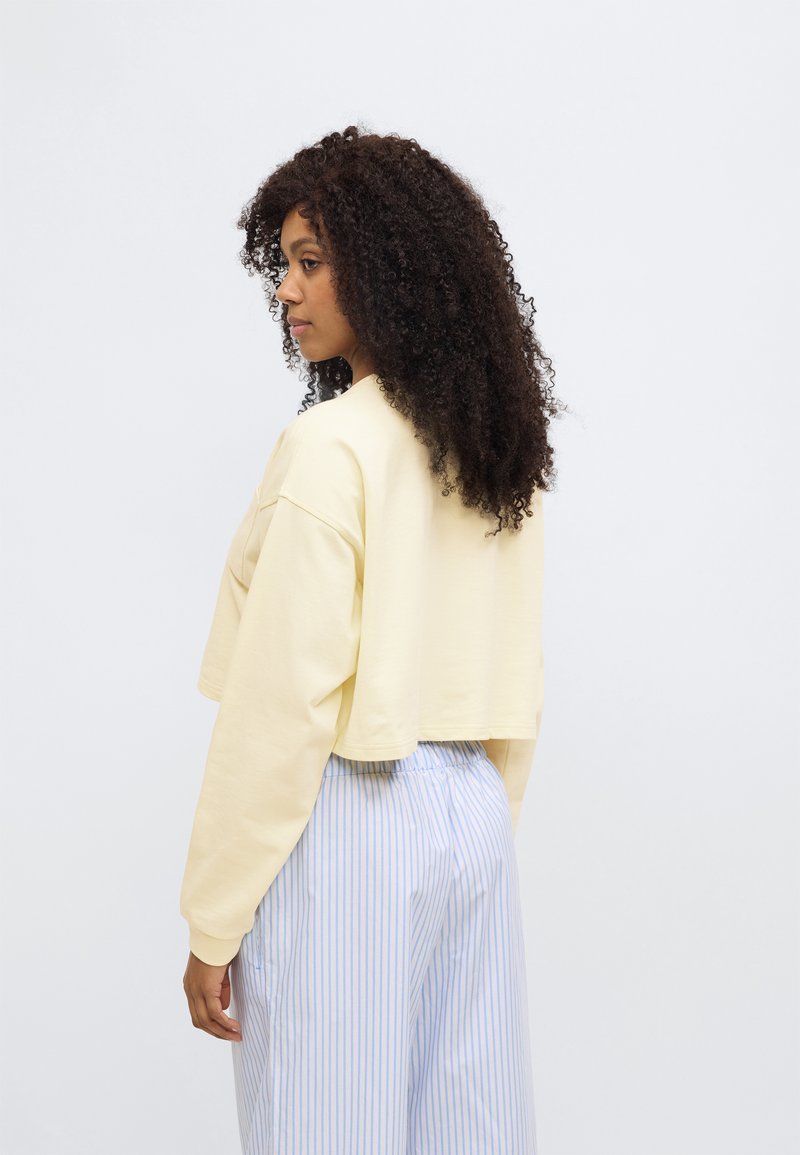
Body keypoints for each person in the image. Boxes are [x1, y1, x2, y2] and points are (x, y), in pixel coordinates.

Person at [179, 123, 565, 1155]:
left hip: (351, 819)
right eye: (284, 264)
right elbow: (516, 672)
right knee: (472, 1131)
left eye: (312, 261)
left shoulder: (331, 449)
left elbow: (280, 712)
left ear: (386, 267)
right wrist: (479, 830)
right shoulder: (494, 450)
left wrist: (214, 920)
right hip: (474, 819)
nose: (287, 290)